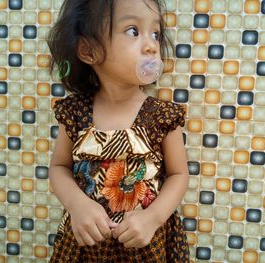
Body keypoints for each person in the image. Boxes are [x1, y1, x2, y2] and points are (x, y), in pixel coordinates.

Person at [47, 0, 190, 262]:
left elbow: (179, 174)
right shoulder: (75, 113)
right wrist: (76, 205)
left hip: (147, 244)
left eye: (155, 34)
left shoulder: (162, 116)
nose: (151, 45)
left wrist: (152, 218)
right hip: (86, 245)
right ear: (88, 50)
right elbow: (58, 168)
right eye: (134, 31)